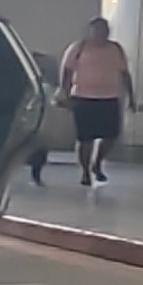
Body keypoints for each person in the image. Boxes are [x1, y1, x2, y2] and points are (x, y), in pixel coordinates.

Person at [56, 16, 133, 189]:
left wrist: (131, 97)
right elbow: (67, 72)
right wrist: (64, 92)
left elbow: (125, 74)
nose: (101, 34)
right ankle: (85, 171)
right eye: (97, 31)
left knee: (111, 136)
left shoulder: (115, 49)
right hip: (83, 98)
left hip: (109, 97)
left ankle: (97, 162)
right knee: (85, 138)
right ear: (90, 31)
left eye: (104, 31)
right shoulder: (78, 48)